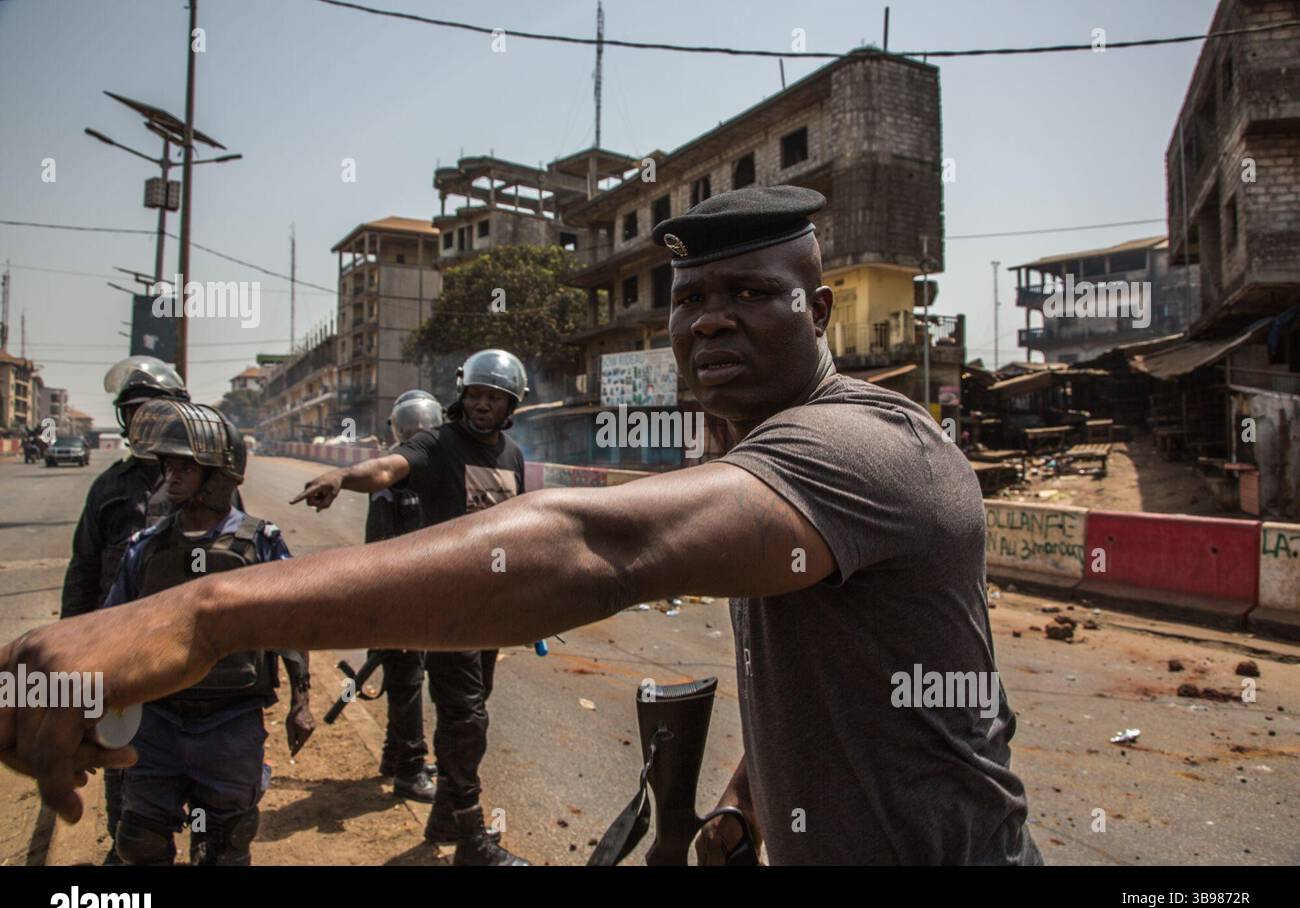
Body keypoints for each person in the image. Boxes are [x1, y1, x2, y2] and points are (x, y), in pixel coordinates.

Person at [4, 186, 1040, 865]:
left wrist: (206, 615)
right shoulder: (760, 462)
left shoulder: (860, 447)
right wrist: (744, 803)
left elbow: (594, 547)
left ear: (817, 313)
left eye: (746, 294)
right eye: (690, 297)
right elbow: (836, 675)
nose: (707, 319)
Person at [291, 353, 530, 866]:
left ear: (511, 404)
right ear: (462, 396)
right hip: (449, 611)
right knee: (466, 718)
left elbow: (519, 527)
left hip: (494, 612)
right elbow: (387, 468)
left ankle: (445, 813)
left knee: (472, 710)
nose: (482, 403)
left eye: (494, 396)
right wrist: (343, 477)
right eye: (475, 394)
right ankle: (471, 838)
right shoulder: (439, 444)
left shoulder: (512, 455)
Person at [103, 399, 313, 865]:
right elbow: (113, 625)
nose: (171, 477)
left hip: (231, 722)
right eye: (168, 467)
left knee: (228, 842)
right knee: (139, 841)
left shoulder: (260, 543)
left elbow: (292, 622)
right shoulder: (147, 547)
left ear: (218, 476)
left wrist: (301, 702)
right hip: (156, 721)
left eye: (186, 468)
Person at [59, 356, 190, 864]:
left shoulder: (205, 478)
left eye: (151, 412)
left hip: (186, 646)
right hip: (119, 651)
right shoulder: (109, 488)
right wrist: (70, 650)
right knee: (122, 755)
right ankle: (126, 849)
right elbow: (83, 569)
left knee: (190, 758)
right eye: (133, 413)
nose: (142, 423)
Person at [365, 390, 444, 803]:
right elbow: (379, 550)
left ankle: (395, 756)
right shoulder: (391, 484)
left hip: (421, 598)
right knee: (408, 682)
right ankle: (410, 770)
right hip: (400, 601)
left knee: (406, 681)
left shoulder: (426, 475)